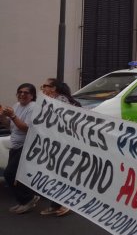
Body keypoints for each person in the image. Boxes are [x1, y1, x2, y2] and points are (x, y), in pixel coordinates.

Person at [39, 79, 81, 216]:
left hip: (64, 144)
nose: (43, 88)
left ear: (54, 89)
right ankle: (55, 204)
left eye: (46, 86)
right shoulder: (52, 101)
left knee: (61, 173)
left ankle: (65, 202)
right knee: (55, 173)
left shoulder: (60, 101)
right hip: (56, 144)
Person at [1, 83, 40, 214]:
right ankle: (24, 201)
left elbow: (25, 128)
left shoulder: (33, 108)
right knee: (18, 175)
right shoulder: (16, 106)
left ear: (32, 95)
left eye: (26, 93)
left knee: (9, 173)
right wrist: (2, 116)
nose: (22, 95)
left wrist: (12, 116)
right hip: (15, 145)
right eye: (20, 92)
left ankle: (28, 199)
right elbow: (11, 126)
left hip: (26, 145)